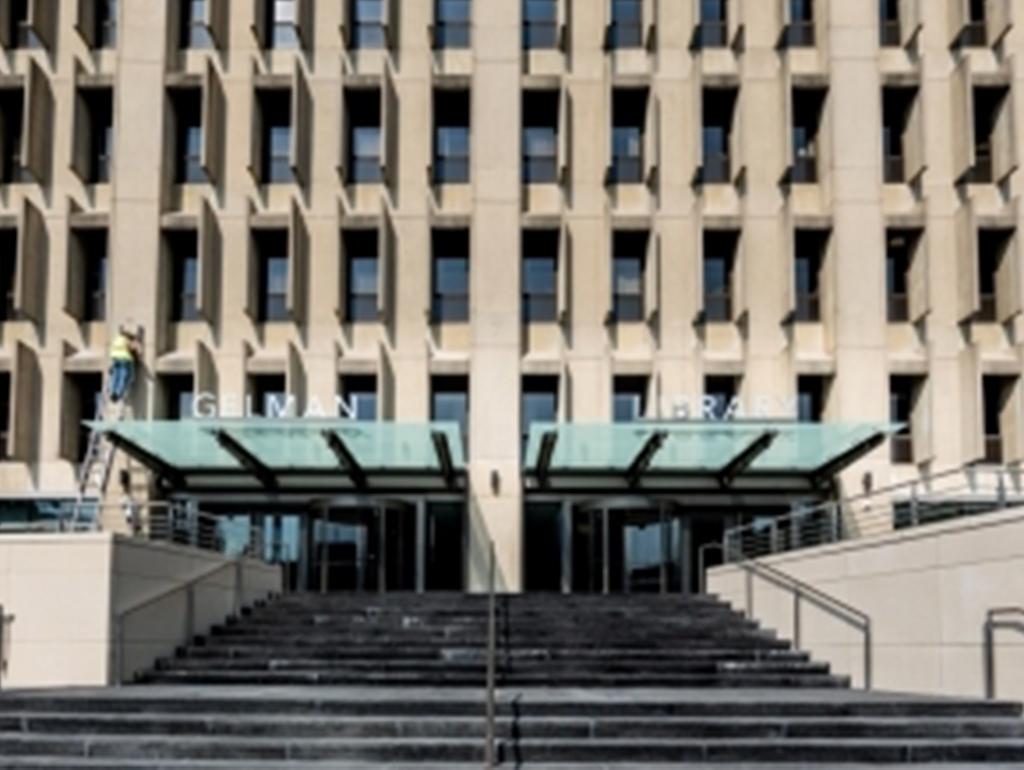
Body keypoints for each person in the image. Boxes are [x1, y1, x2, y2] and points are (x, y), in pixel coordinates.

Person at [107, 323, 141, 403]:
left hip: (115, 359)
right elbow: (133, 349)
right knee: (123, 376)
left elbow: (113, 349)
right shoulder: (127, 340)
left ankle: (112, 392)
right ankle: (118, 394)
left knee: (115, 376)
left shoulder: (116, 339)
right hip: (125, 359)